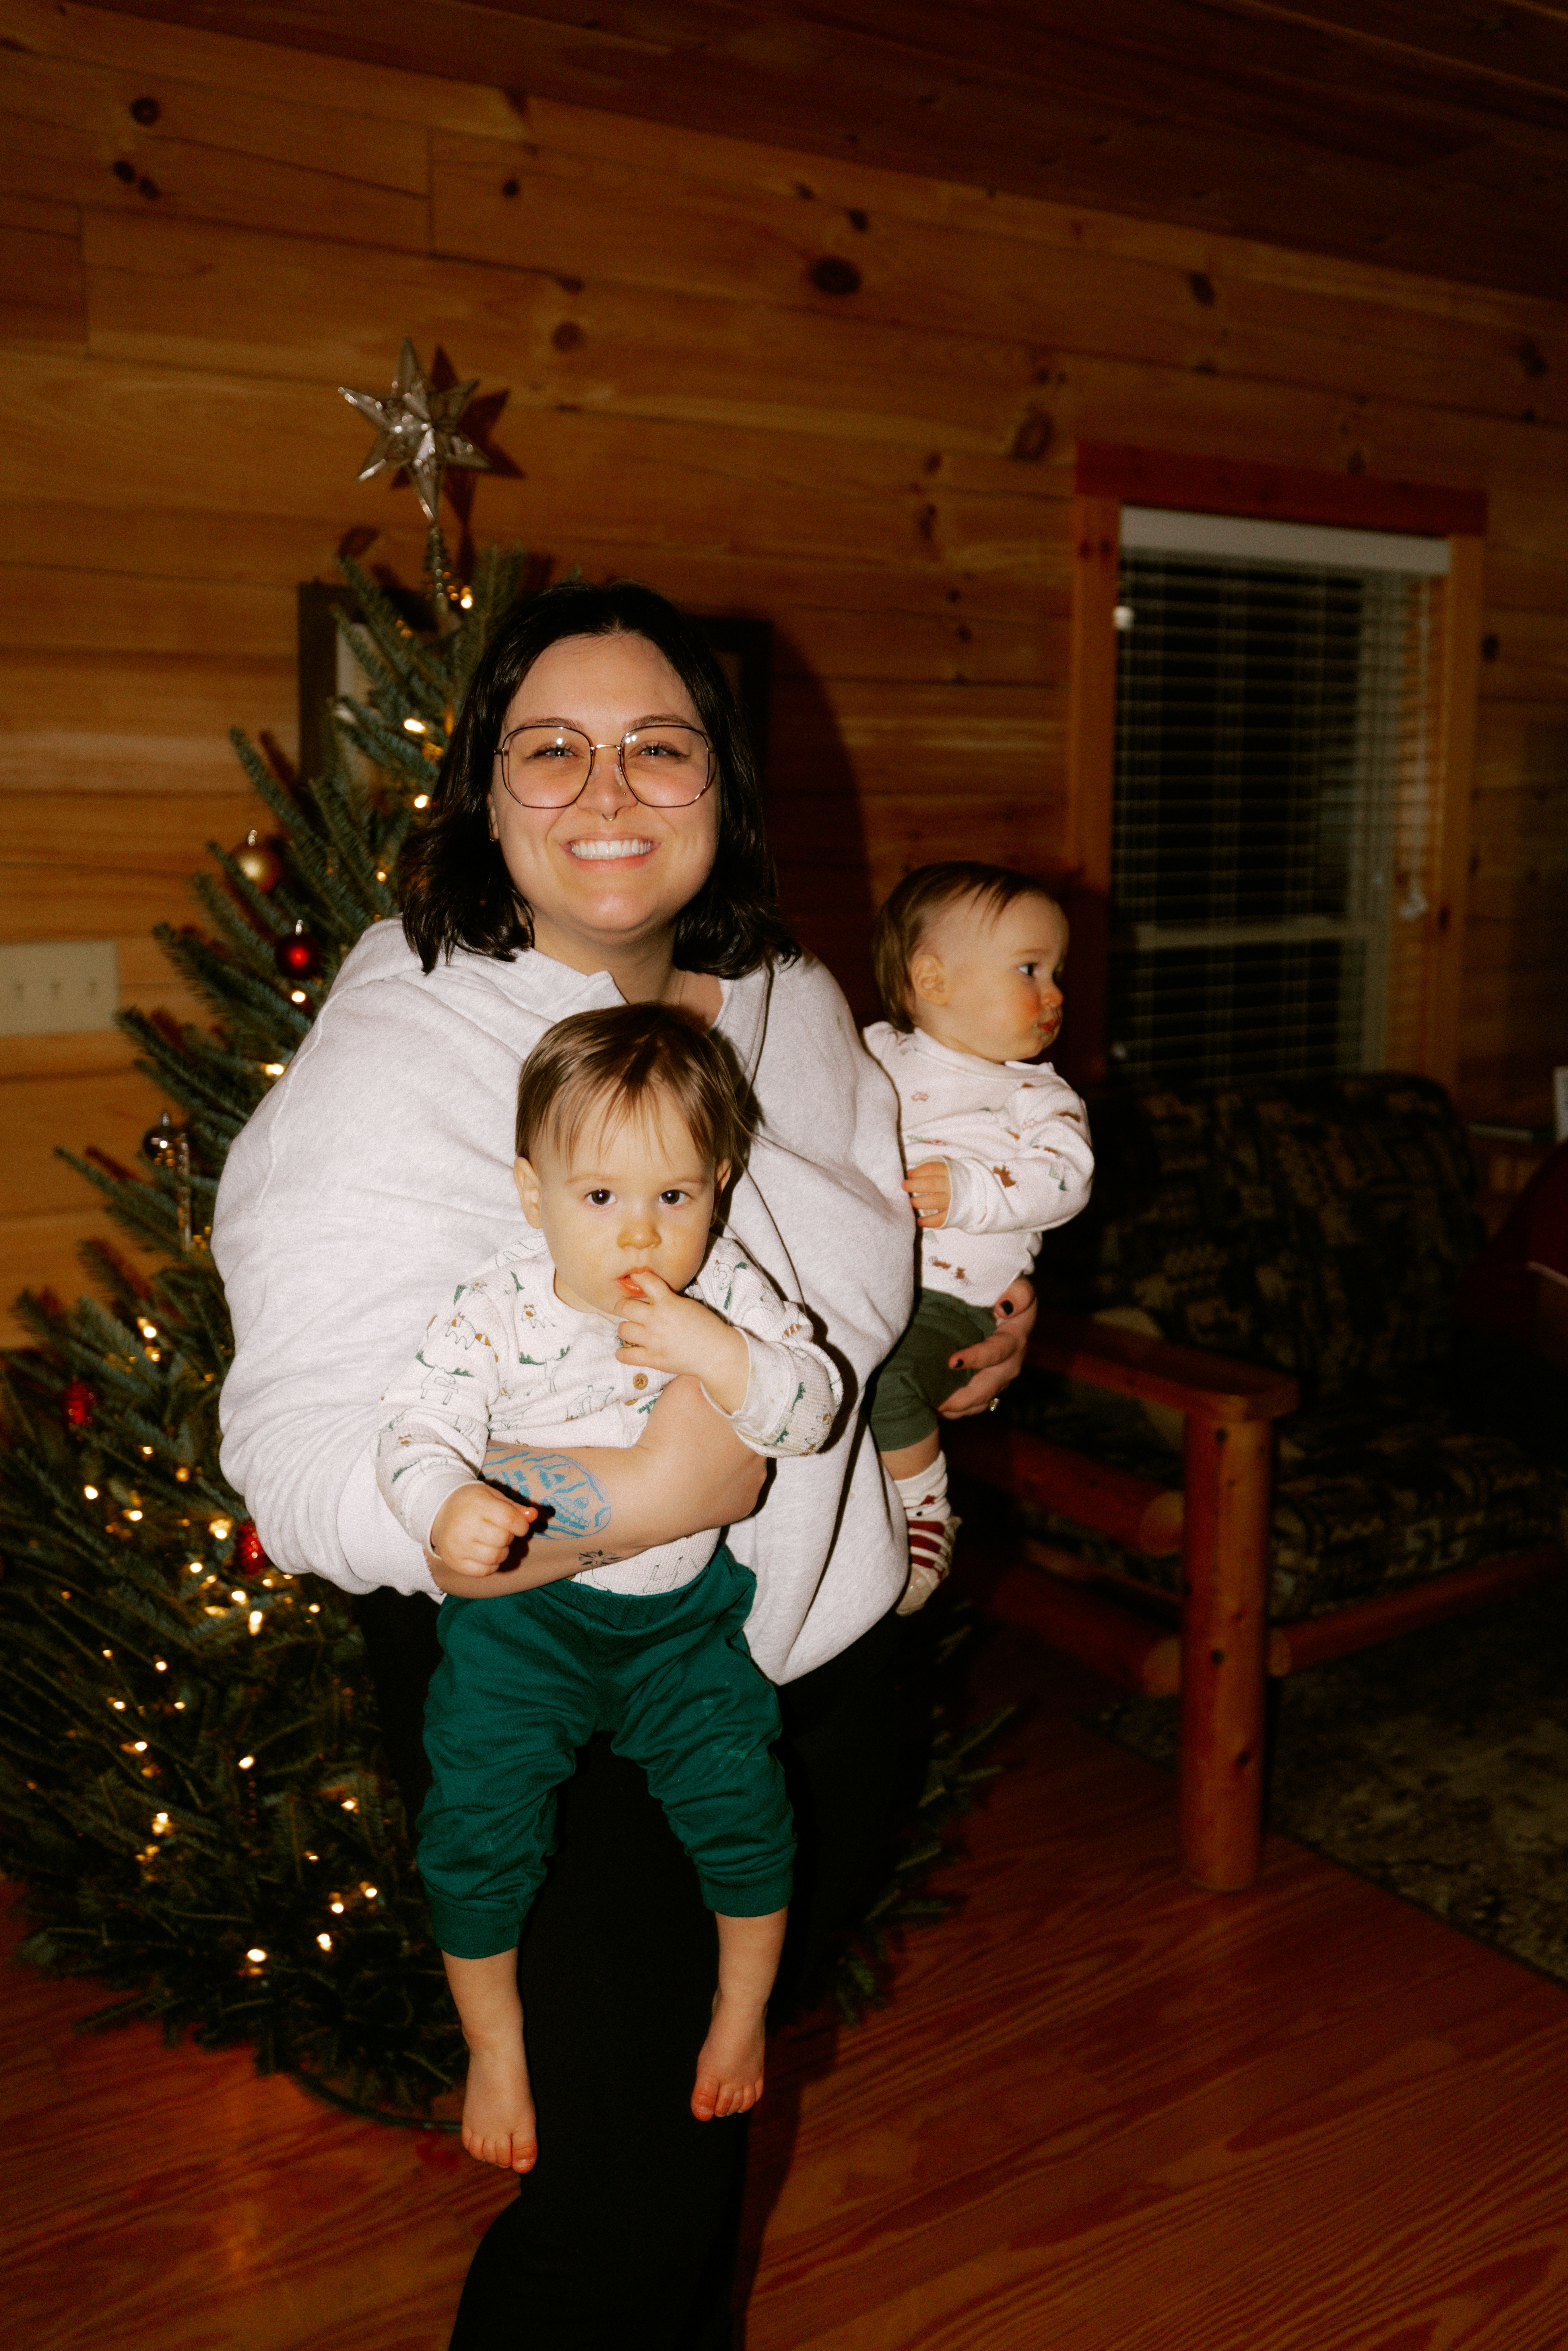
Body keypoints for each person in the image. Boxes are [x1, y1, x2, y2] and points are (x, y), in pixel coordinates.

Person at [212, 579, 1036, 2350]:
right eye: (551, 751)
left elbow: (860, 1254)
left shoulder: (792, 1000)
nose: (606, 792)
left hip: (817, 1663)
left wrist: (960, 1337)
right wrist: (623, 1501)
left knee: (696, 2156)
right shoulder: (409, 1044)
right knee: (622, 2220)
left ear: (720, 784)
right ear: (485, 792)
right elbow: (295, 1452)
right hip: (561, 1692)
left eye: (659, 749)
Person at [377, 1004, 840, 2167]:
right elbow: (415, 1422)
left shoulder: (724, 1290)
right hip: (525, 1626)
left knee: (745, 1806)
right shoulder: (498, 1305)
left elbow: (812, 1408)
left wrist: (718, 1351)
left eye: (673, 1195)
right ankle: (494, 2042)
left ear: (719, 1186)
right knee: (478, 1824)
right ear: (533, 1194)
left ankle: (741, 2009)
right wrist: (444, 1500)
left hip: (683, 1626)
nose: (640, 1230)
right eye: (599, 1196)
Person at [862, 863, 1094, 1610]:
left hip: (952, 1302)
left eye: (1057, 972)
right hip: (860, 1283)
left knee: (887, 1384)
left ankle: (925, 1513)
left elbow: (1067, 1180)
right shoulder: (870, 1053)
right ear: (932, 978)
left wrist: (972, 1191)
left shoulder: (1037, 1096)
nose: (1055, 993)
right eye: (1030, 969)